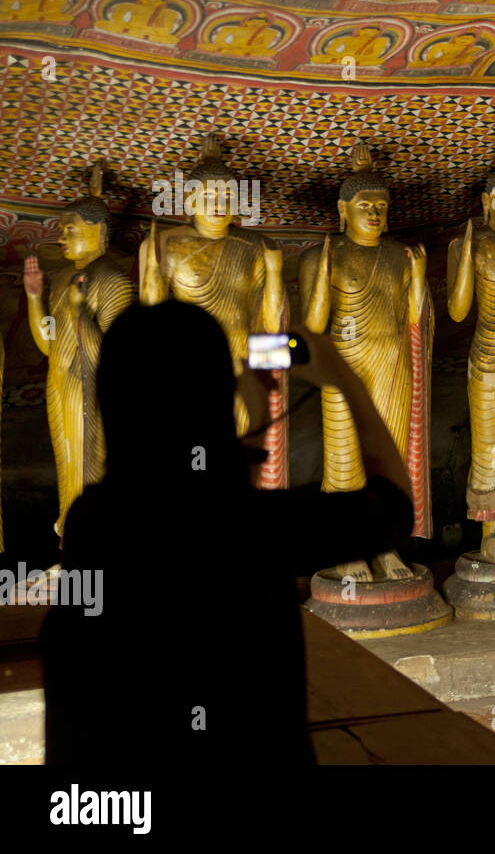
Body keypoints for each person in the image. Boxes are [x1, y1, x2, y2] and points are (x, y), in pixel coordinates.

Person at [40, 301, 414, 765]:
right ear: (217, 396)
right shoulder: (256, 527)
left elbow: (201, 510)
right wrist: (345, 381)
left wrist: (255, 428)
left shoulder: (92, 520)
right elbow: (395, 507)